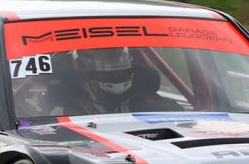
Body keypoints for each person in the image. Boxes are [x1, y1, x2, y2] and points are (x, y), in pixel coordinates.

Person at [46, 47, 180, 116]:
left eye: (116, 55)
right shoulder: (60, 111)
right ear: (81, 66)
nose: (111, 61)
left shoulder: (155, 104)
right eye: (103, 57)